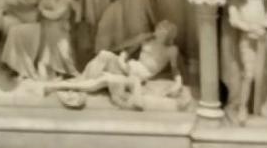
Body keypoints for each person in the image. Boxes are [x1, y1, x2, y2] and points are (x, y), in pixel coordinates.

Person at [45, 20, 183, 110]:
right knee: (105, 54)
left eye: (162, 29)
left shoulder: (171, 50)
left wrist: (177, 85)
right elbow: (127, 51)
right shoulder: (147, 41)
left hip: (135, 76)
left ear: (168, 33)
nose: (158, 30)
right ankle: (82, 79)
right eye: (158, 27)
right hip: (127, 67)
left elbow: (176, 71)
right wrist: (123, 58)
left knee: (104, 80)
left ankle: (68, 87)